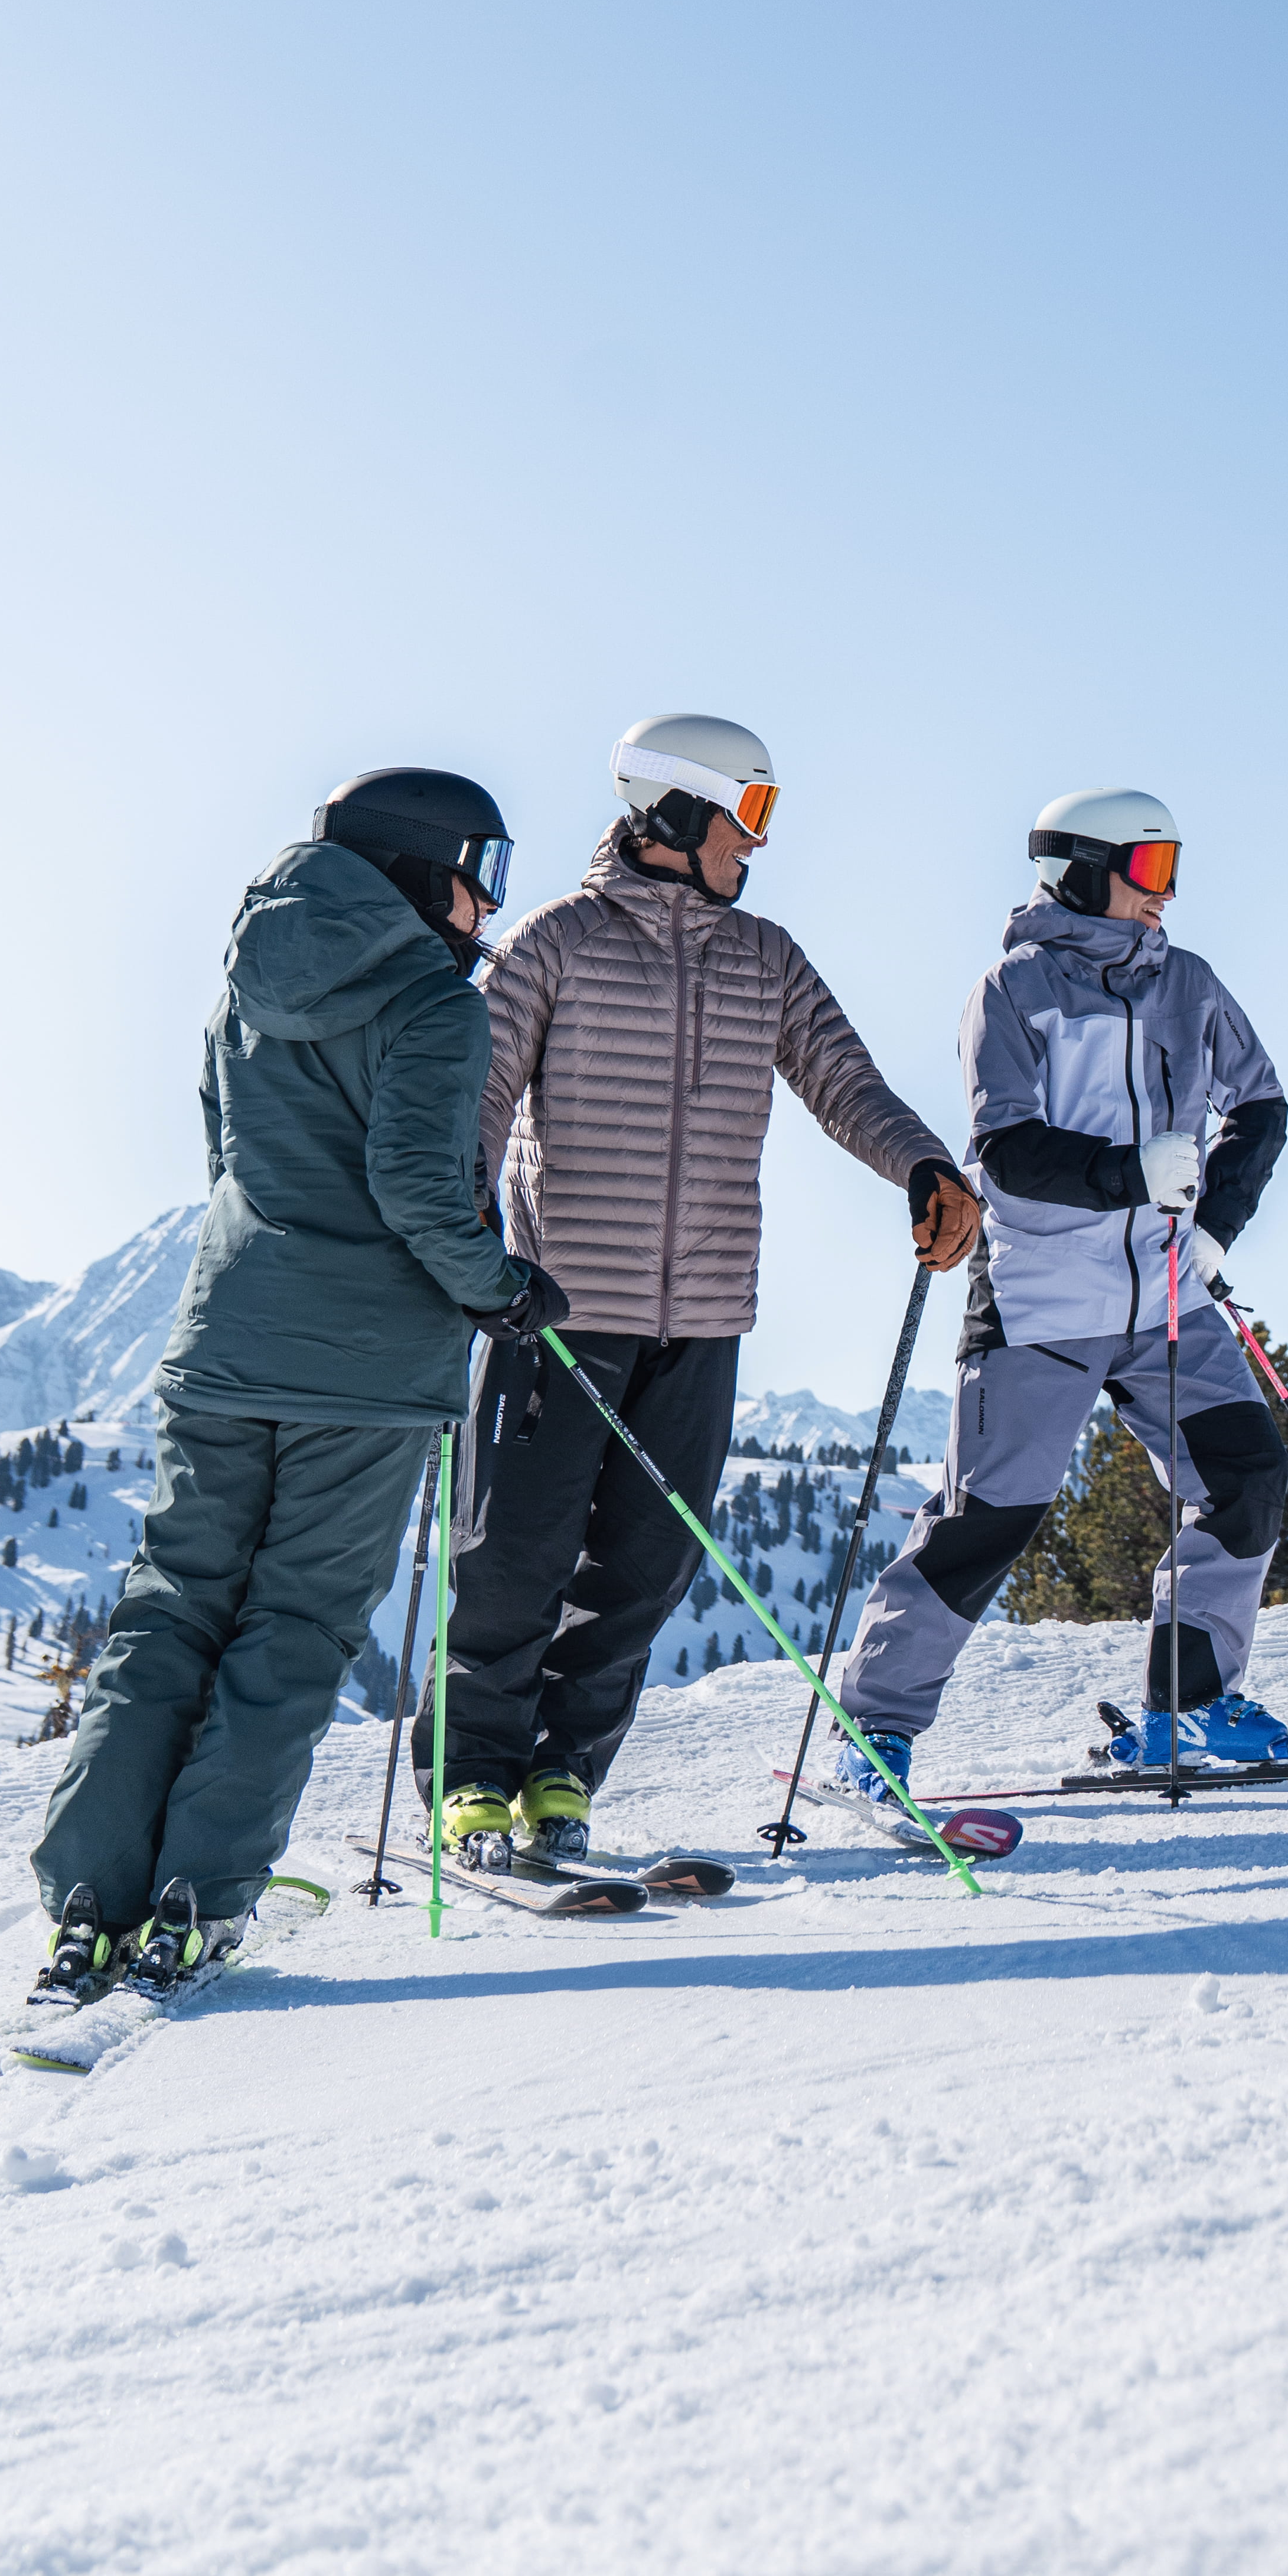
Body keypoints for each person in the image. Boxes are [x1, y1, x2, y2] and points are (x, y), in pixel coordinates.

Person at [31, 767, 566, 2002]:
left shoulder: (246, 982)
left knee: (172, 1608)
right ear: (420, 869)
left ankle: (89, 1893)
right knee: (294, 1628)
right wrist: (501, 1290)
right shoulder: (434, 1004)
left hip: (225, 1339)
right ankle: (199, 1896)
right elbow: (421, 1191)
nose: (490, 902)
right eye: (482, 869)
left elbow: (225, 1146)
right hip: (365, 1373)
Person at [427, 714, 978, 1865]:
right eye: (753, 813)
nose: (759, 844)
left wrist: (924, 1164)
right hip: (557, 1312)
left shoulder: (762, 957)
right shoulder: (556, 943)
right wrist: (468, 1219)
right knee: (514, 1556)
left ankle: (563, 1777)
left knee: (646, 1564)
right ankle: (472, 1776)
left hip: (702, 1320)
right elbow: (476, 1094)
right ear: (677, 813)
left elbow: (843, 1081)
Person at [828, 785, 1288, 1784]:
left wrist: (1216, 1227)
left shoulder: (1191, 982)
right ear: (1085, 872)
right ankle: (873, 1731)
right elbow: (1005, 1151)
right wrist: (1128, 1176)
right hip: (1042, 1299)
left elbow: (1259, 1106)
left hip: (1165, 1294)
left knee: (1246, 1480)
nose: (1165, 896)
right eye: (1150, 871)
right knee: (985, 1522)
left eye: (1172, 871)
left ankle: (1192, 1707)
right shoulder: (1014, 991)